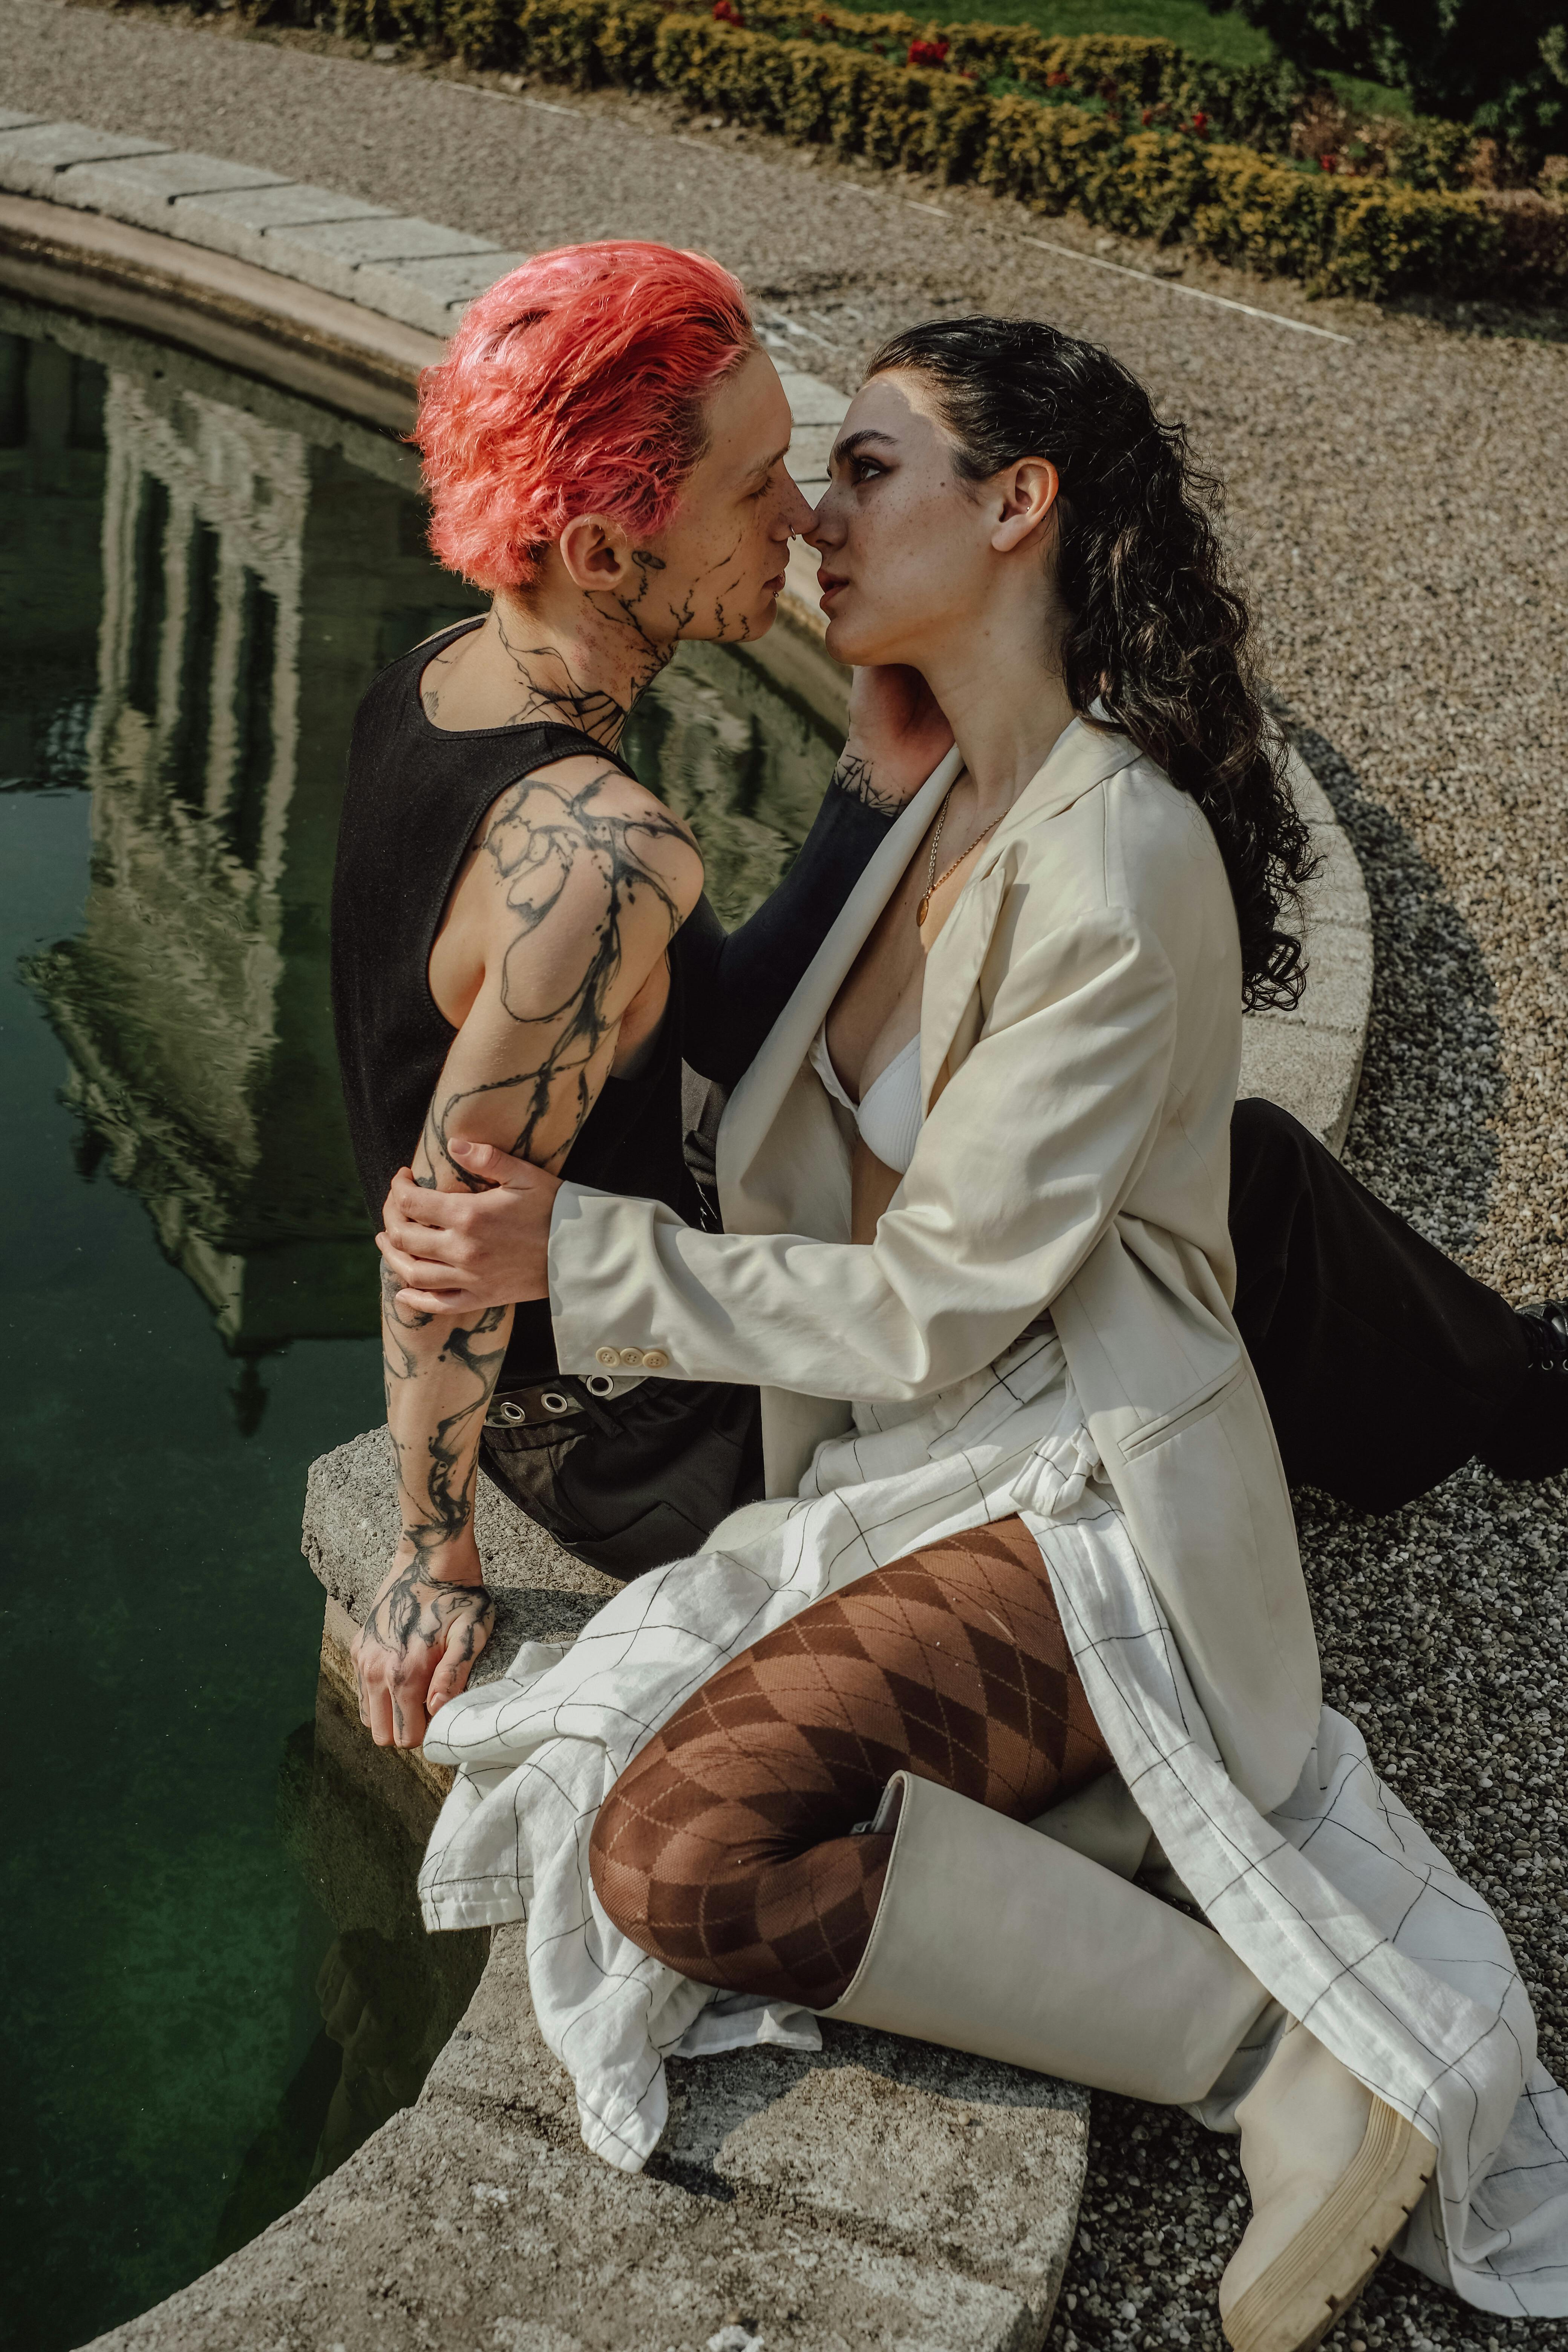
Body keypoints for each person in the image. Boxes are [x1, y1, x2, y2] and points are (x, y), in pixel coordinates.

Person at [380, 310, 1568, 2347]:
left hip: (1081, 1480)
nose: (807, 521)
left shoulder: (1112, 860)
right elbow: (762, 1088)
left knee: (677, 1857)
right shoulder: (912, 766)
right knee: (631, 1810)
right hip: (901, 1459)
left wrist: (574, 1263)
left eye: (858, 470)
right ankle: (1268, 2046)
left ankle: (1294, 2070)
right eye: (800, 478)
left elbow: (937, 1300)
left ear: (1017, 509)